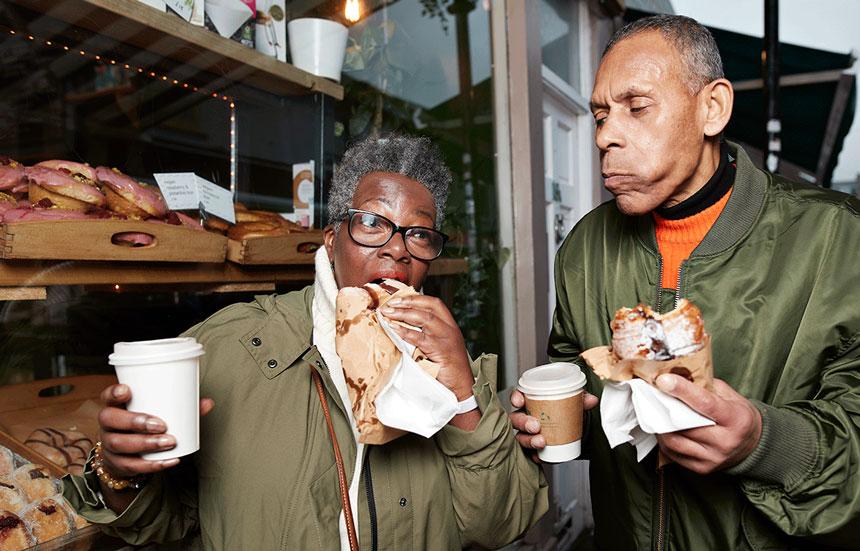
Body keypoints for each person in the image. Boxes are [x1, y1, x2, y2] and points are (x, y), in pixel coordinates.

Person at [64, 134, 548, 550]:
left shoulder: (446, 362)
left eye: (419, 234)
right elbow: (168, 525)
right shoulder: (227, 347)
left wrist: (461, 391)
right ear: (332, 238)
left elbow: (497, 525)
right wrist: (117, 472)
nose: (397, 248)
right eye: (373, 223)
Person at [511, 14, 860, 550]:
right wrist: (567, 417)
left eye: (637, 107)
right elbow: (577, 374)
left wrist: (763, 444)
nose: (605, 135)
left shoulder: (838, 238)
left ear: (712, 108)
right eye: (600, 115)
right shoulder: (585, 245)